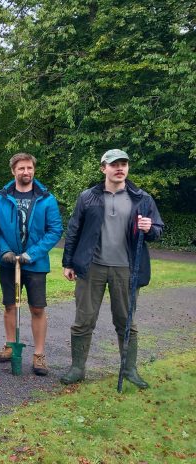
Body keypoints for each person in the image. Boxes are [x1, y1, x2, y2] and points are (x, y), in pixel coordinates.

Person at [60, 149, 163, 388]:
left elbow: (157, 230)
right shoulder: (88, 197)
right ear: (103, 168)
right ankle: (77, 368)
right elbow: (74, 230)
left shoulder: (142, 199)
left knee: (126, 322)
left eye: (123, 164)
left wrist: (150, 228)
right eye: (114, 164)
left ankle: (129, 370)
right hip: (91, 267)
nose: (119, 168)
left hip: (127, 269)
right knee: (83, 320)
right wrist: (68, 262)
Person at [0, 153, 63, 375]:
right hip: (8, 262)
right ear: (13, 171)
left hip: (35, 264)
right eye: (21, 168)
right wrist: (5, 251)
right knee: (10, 305)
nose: (26, 172)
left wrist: (31, 254)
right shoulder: (0, 198)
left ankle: (39, 355)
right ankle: (10, 346)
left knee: (37, 308)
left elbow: (55, 230)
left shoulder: (46, 198)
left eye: (29, 168)